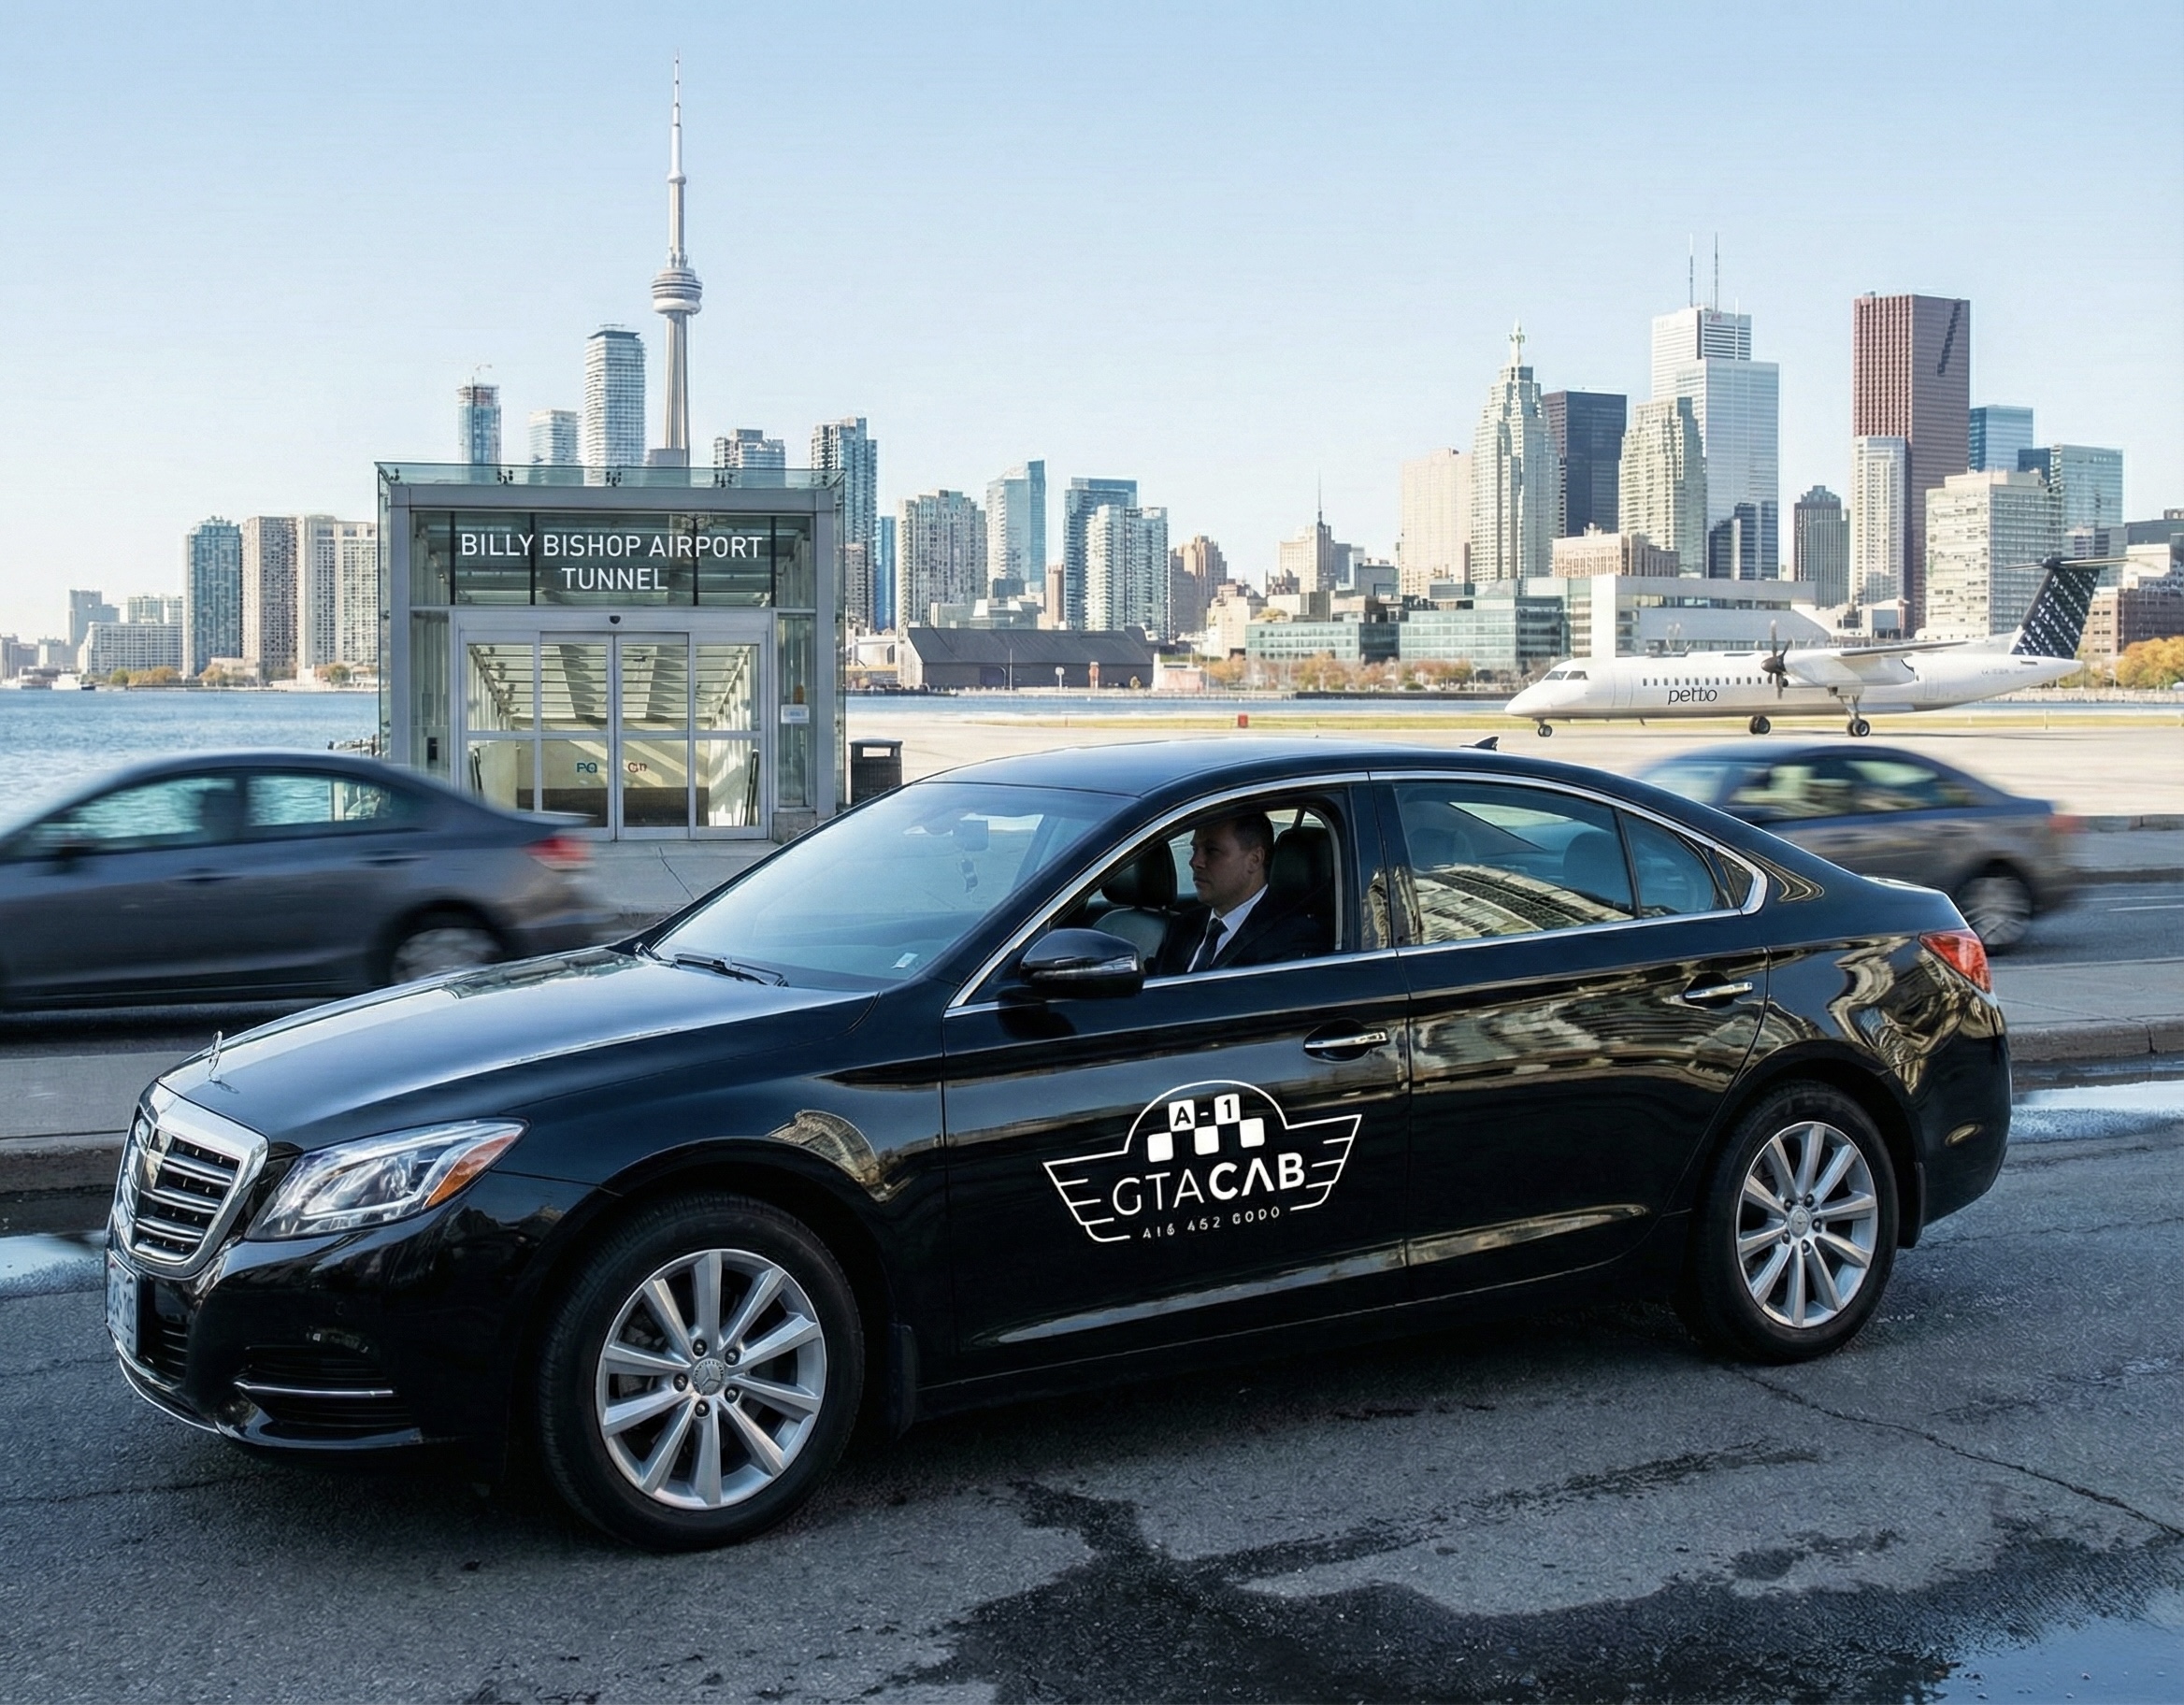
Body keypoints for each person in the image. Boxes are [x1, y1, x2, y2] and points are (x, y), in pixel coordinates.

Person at [1155, 810, 1328, 975]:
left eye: (1212, 851)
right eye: (1194, 850)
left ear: (1254, 860)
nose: (1195, 862)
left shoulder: (1290, 938)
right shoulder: (1183, 925)